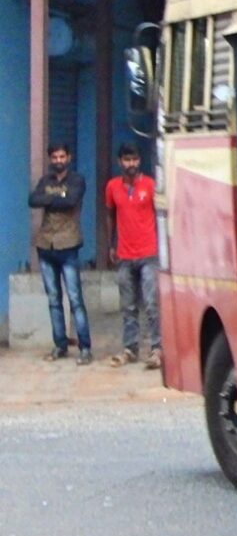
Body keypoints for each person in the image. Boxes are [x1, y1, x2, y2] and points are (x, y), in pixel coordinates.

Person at [28, 142, 92, 364]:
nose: (58, 161)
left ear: (69, 157)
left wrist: (51, 199)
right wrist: (57, 199)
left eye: (61, 156)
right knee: (54, 299)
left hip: (68, 244)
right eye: (54, 157)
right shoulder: (45, 180)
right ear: (50, 159)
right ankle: (60, 345)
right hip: (46, 245)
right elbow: (33, 200)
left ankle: (85, 348)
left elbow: (71, 200)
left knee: (75, 298)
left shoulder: (77, 180)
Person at [104, 143, 161, 370]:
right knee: (128, 306)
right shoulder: (112, 187)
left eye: (135, 159)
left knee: (151, 303)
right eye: (127, 160)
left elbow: (160, 215)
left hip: (149, 253)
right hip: (124, 254)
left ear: (140, 160)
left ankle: (157, 349)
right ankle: (131, 348)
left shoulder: (150, 185)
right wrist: (111, 244)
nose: (131, 164)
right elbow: (110, 216)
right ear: (120, 162)